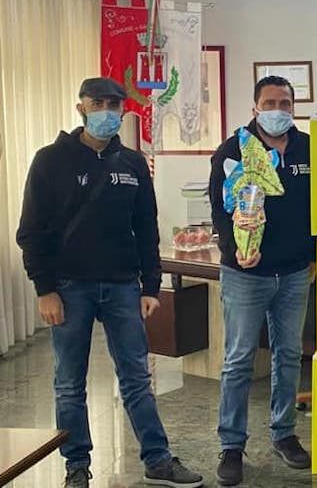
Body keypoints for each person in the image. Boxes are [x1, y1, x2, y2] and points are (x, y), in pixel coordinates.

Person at [16, 78, 203, 488]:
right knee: (69, 383)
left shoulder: (132, 163)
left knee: (137, 378)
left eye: (113, 105)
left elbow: (146, 227)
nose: (106, 111)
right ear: (81, 108)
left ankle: (157, 460)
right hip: (69, 287)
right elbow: (30, 231)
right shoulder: (50, 160)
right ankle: (76, 465)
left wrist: (150, 287)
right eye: (97, 103)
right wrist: (44, 289)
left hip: (122, 287)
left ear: (123, 110)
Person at [210, 76, 316, 486]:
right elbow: (219, 209)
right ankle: (231, 445)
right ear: (254, 107)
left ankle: (284, 434)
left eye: (285, 103)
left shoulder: (309, 148)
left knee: (288, 355)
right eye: (269, 103)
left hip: (294, 274)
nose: (277, 110)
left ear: (293, 107)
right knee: (238, 360)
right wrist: (233, 249)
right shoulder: (233, 150)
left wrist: (314, 256)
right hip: (245, 273)